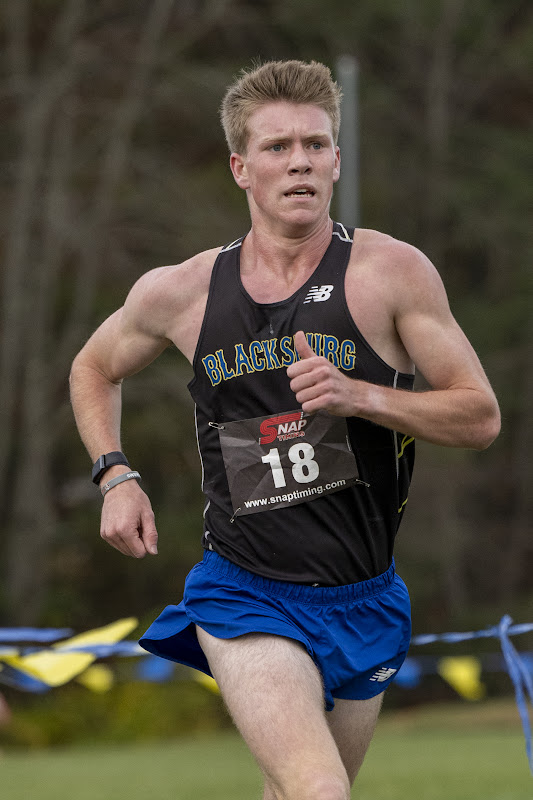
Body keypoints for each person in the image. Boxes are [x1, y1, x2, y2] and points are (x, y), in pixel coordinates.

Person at [70, 60, 500, 800]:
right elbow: (93, 367)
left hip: (363, 596)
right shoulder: (183, 290)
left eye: (315, 143)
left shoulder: (391, 273)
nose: (298, 160)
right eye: (276, 147)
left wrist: (362, 396)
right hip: (245, 591)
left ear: (336, 159)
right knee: (317, 791)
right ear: (241, 167)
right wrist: (116, 474)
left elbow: (478, 415)